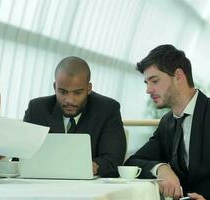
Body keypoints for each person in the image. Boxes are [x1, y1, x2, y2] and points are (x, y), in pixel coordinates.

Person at [125, 44, 209, 200]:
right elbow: (132, 162)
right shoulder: (167, 123)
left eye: (154, 81)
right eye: (147, 83)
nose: (148, 90)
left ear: (178, 76)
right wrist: (161, 168)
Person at [23, 56, 126, 177]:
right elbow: (22, 156)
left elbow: (113, 160)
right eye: (62, 92)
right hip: (41, 185)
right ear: (54, 87)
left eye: (77, 93)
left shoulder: (107, 109)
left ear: (89, 88)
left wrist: (92, 166)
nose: (69, 100)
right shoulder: (37, 108)